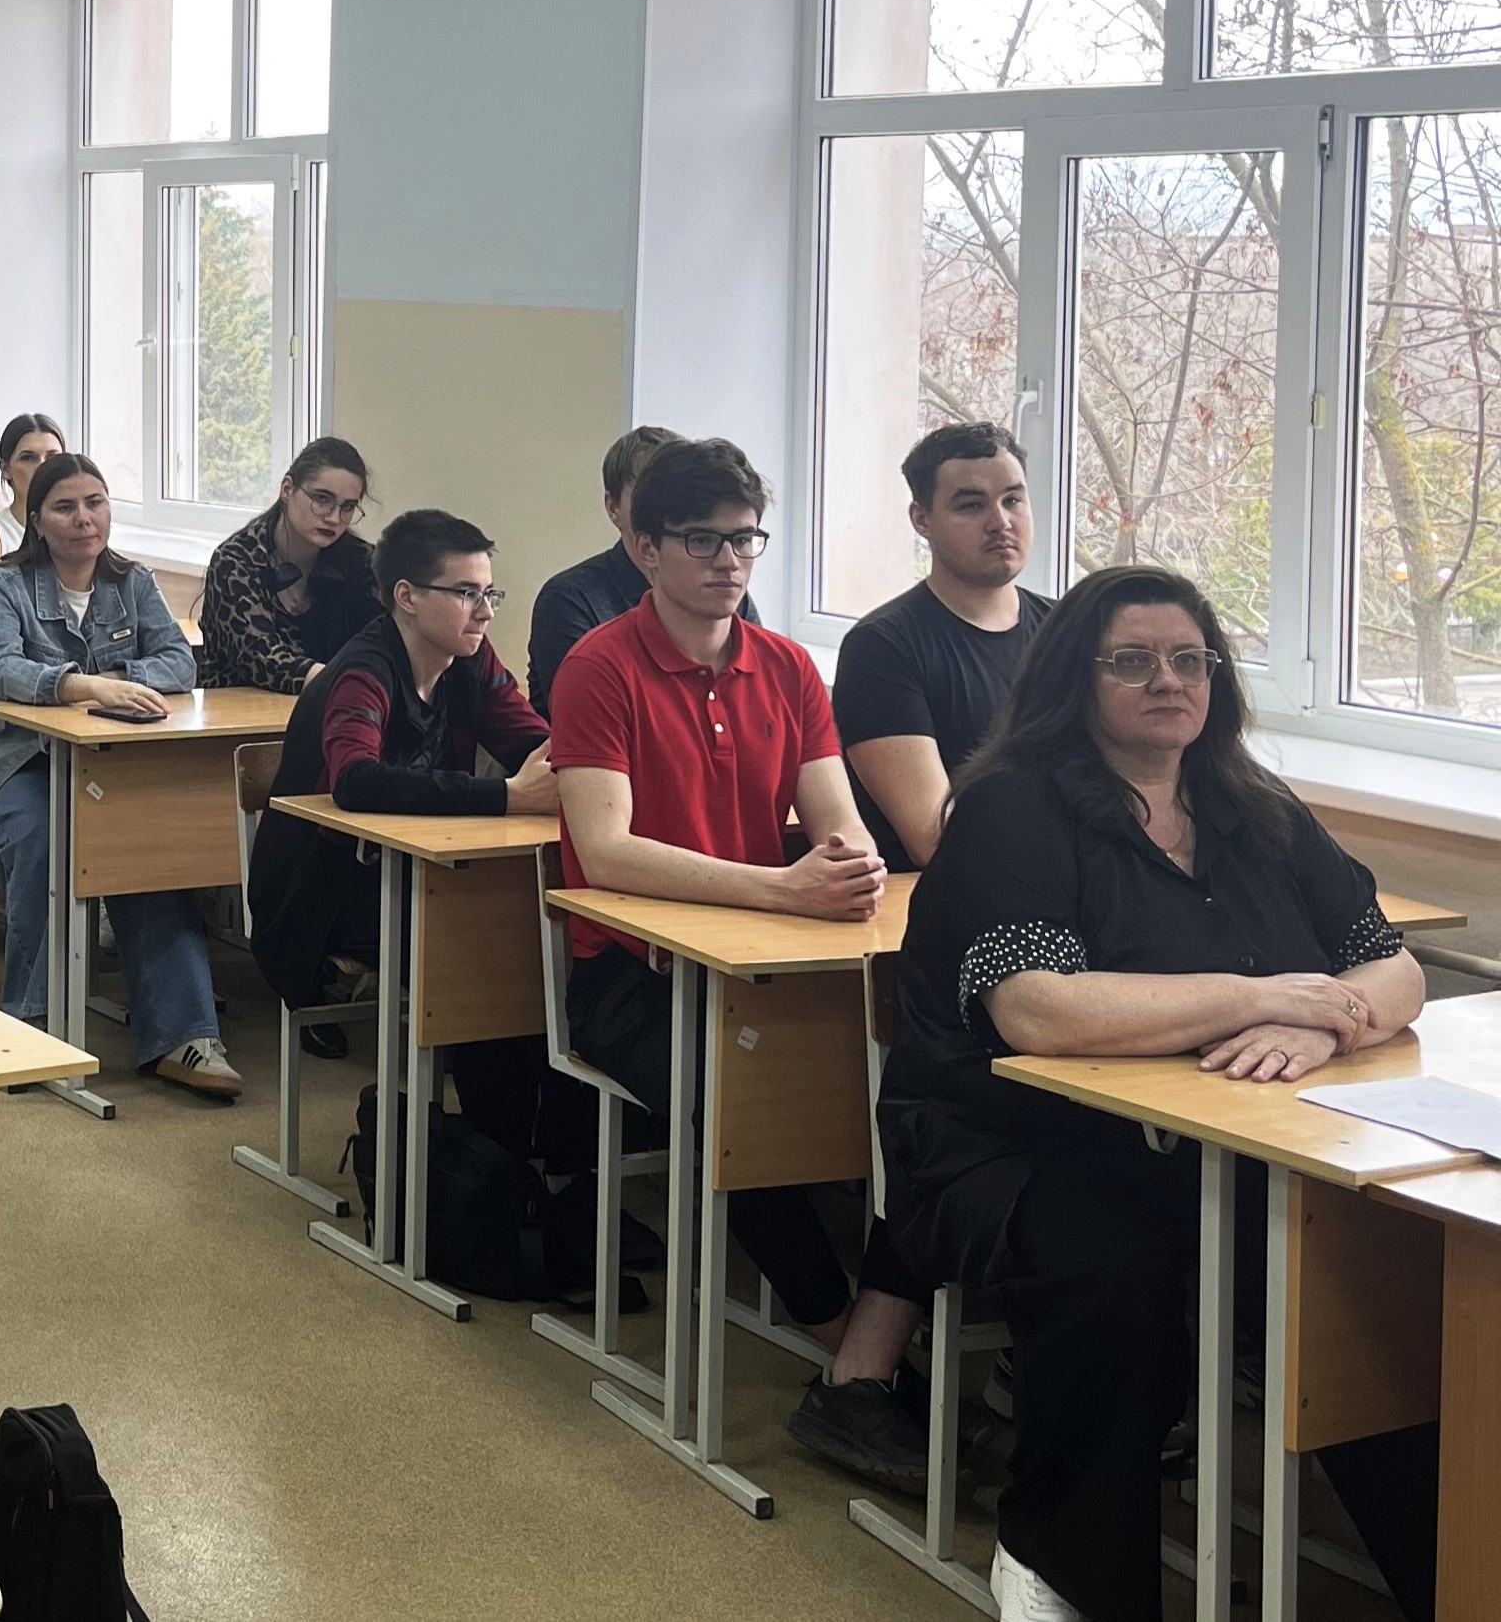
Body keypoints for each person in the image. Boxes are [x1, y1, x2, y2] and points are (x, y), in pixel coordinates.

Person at [880, 564, 1438, 1622]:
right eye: (1132, 662)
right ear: (1075, 679)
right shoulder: (1011, 806)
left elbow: (1392, 963)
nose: (1168, 681)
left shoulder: (1253, 803)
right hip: (1010, 1145)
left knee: (1367, 1277)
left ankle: (1452, 1577)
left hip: (1229, 1141)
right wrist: (1256, 995)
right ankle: (1061, 1562)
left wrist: (1324, 1022)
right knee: (1117, 1272)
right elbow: (1037, 1010)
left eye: (1191, 660)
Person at [548, 437, 931, 1486]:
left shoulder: (790, 667)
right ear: (644, 547)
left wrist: (847, 866)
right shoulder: (600, 666)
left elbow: (838, 822)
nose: (729, 561)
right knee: (736, 1107)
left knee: (924, 1099)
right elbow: (607, 850)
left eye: (746, 539)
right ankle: (849, 1347)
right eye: (703, 540)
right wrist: (781, 887)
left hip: (771, 961)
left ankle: (872, 1360)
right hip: (631, 976)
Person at [247, 508, 561, 1114]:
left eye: (489, 593)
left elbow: (535, 744)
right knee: (486, 948)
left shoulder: (472, 659)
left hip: (415, 876)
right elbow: (356, 781)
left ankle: (525, 1138)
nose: (485, 611)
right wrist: (507, 796)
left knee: (526, 931)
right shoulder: (363, 670)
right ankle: (487, 1137)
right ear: (406, 597)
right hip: (320, 895)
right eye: (466, 593)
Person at [0, 453, 240, 1100]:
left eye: (96, 503)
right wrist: (82, 685)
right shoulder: (5, 584)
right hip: (12, 760)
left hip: (109, 766)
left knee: (149, 850)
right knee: (45, 838)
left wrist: (118, 680)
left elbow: (178, 662)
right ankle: (31, 1022)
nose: (84, 518)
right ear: (36, 519)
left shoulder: (132, 582)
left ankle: (183, 1035)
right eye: (65, 507)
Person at [833, 421, 1054, 872]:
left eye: (1013, 500)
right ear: (921, 520)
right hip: (949, 899)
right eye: (971, 506)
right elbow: (937, 840)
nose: (1000, 522)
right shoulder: (881, 648)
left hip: (1071, 886)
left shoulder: (1066, 630)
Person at [526, 425, 763, 717]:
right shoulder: (570, 599)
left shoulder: (726, 593)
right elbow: (590, 712)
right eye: (648, 490)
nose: (666, 501)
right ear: (613, 507)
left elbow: (755, 703)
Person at [196, 437, 382, 694]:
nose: (334, 517)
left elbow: (389, 640)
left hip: (335, 706)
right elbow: (263, 660)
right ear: (287, 489)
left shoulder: (363, 561)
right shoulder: (235, 561)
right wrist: (351, 683)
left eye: (348, 507)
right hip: (242, 712)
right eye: (322, 498)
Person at [0, 412, 62, 579]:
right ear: (5, 469)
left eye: (53, 457)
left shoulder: (79, 523)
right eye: (29, 458)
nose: (42, 467)